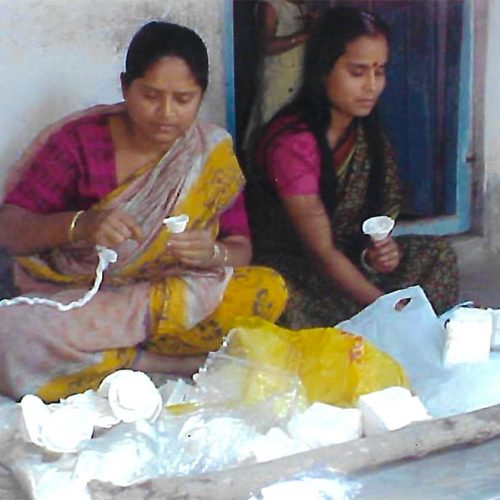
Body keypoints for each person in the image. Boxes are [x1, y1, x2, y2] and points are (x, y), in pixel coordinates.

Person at [0, 21, 288, 402]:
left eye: (183, 99)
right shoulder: (78, 143)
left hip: (166, 294)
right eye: (151, 95)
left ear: (201, 96)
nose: (165, 113)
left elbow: (240, 247)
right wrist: (80, 226)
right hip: (83, 296)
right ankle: (156, 362)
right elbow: (10, 228)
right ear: (125, 87)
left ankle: (113, 357)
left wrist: (212, 252)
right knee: (13, 335)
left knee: (268, 290)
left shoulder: (208, 152)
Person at [247, 7, 459, 328]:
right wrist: (384, 306)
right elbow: (320, 252)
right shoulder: (293, 143)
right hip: (295, 268)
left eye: (380, 71)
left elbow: (378, 216)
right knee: (281, 300)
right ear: (323, 70)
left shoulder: (365, 134)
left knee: (438, 255)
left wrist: (377, 254)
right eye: (357, 72)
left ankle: (375, 324)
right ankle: (379, 326)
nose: (372, 86)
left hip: (349, 262)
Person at [242, 0, 317, 152]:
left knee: (288, 129)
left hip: (296, 79)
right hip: (276, 81)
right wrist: (304, 35)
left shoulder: (300, 7)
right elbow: (266, 46)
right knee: (268, 126)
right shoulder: (271, 6)